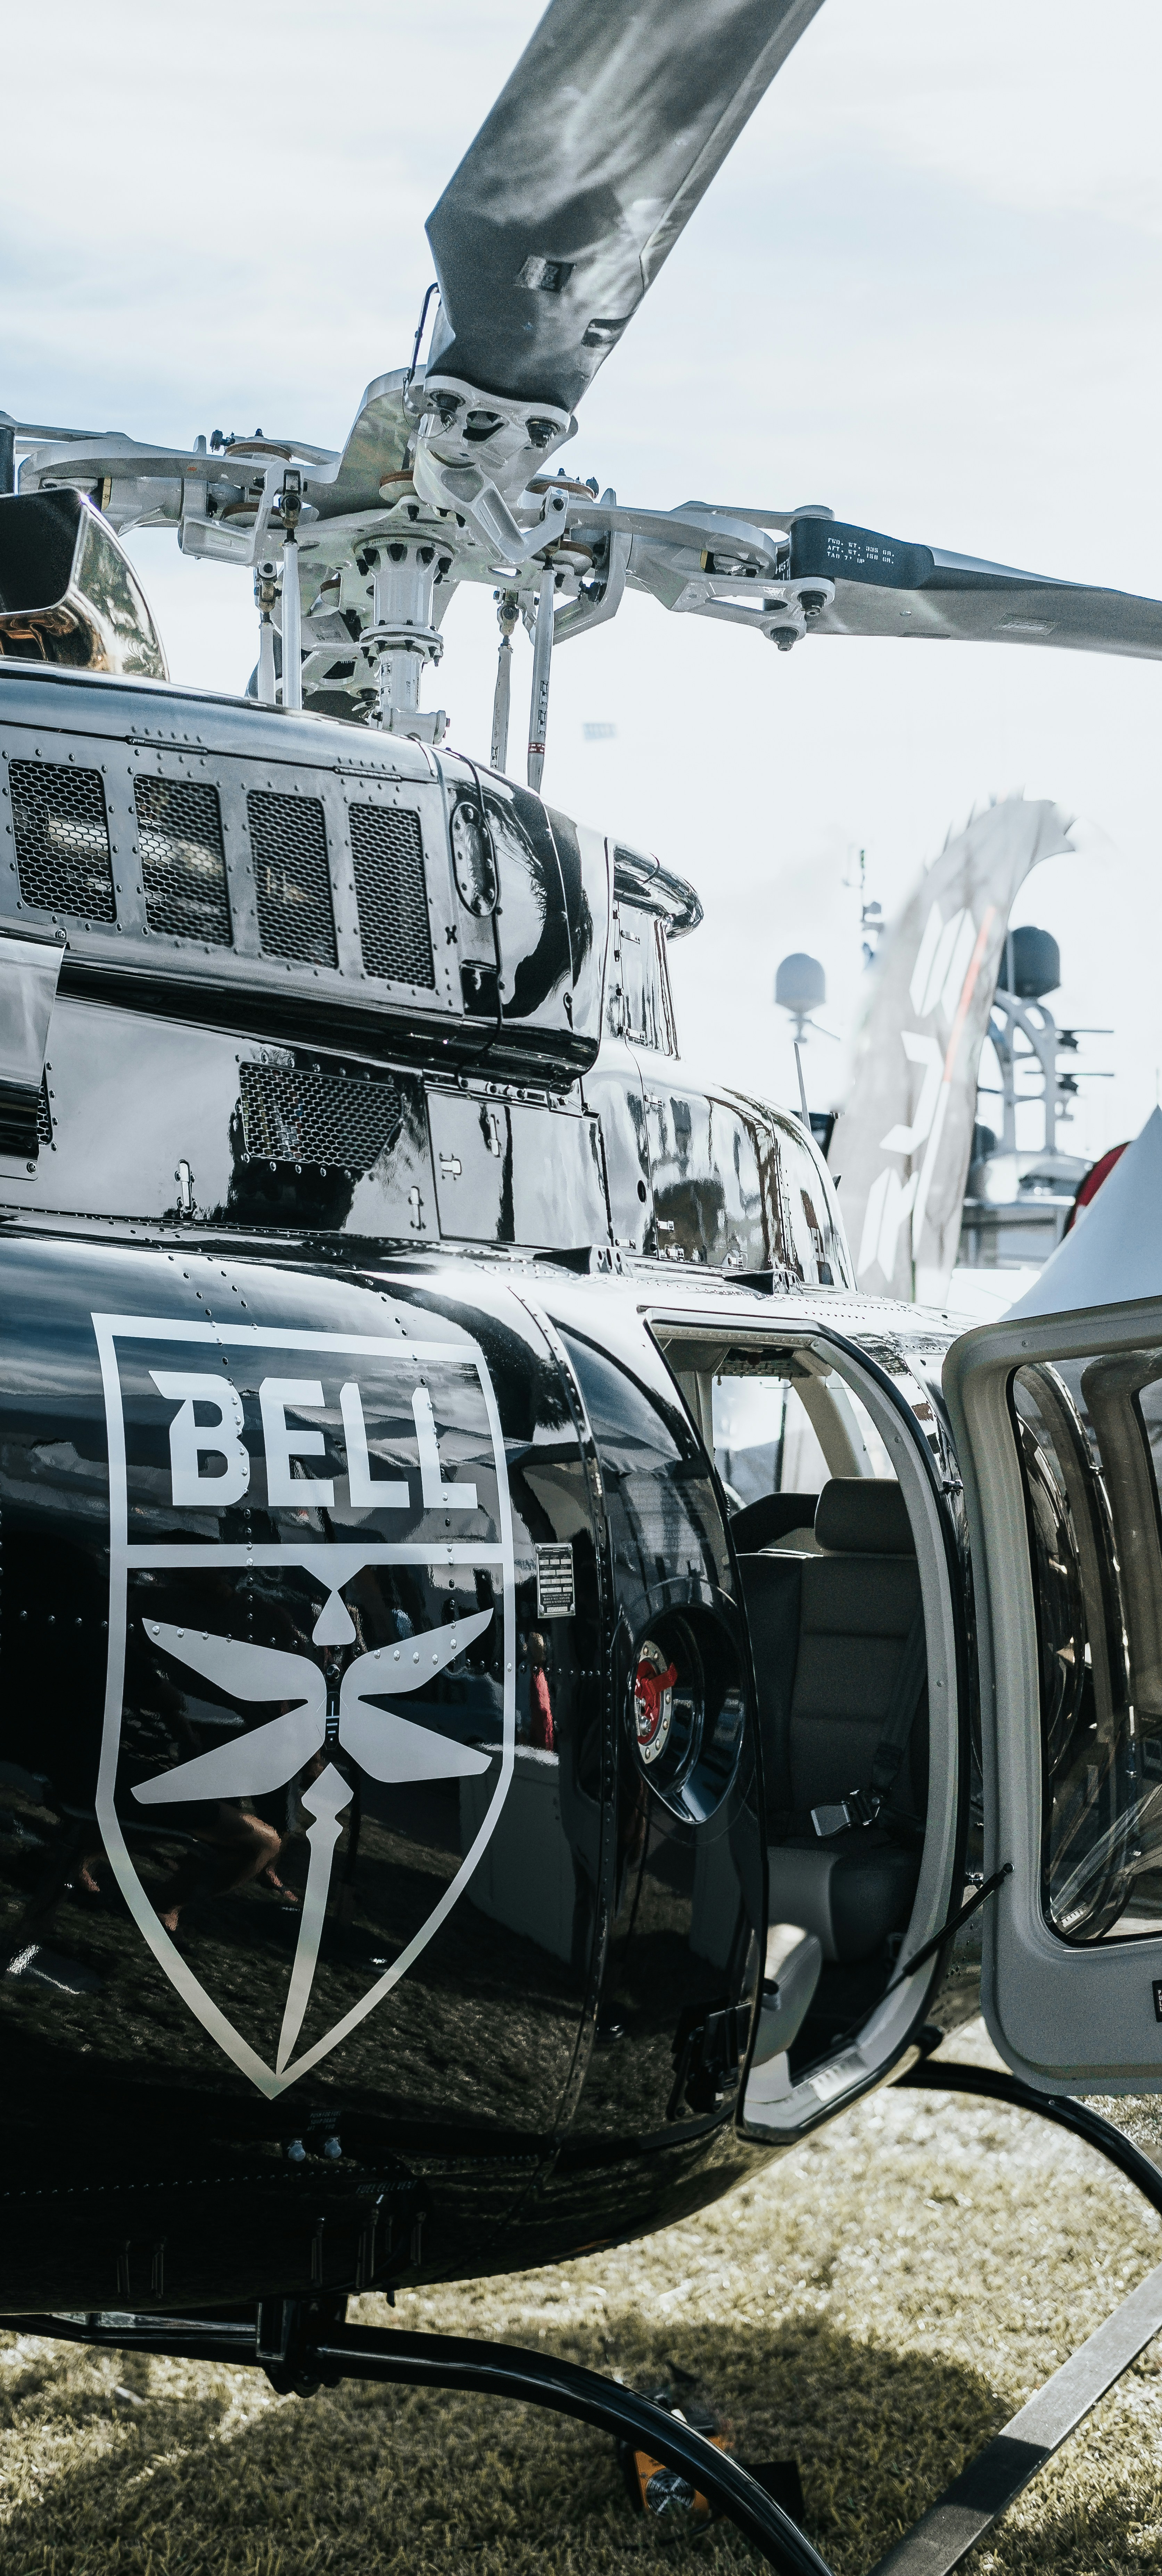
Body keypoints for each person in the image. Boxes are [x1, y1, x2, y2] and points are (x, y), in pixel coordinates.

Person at [528, 1631, 555, 1752]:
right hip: (541, 1732)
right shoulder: (539, 1674)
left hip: (539, 1733)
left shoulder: (537, 1675)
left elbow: (543, 1709)